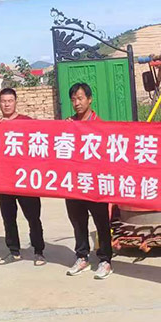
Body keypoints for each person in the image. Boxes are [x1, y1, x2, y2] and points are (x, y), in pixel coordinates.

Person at [63, 82, 114, 280]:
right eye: (73, 99)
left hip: (95, 184)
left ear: (90, 99)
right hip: (75, 183)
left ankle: (105, 260)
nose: (77, 103)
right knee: (78, 222)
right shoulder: (68, 125)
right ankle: (82, 257)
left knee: (101, 223)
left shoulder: (100, 126)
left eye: (80, 98)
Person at [0, 88, 46, 266]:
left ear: (15, 102)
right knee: (8, 218)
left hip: (26, 180)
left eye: (10, 100)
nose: (7, 104)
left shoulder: (27, 123)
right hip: (5, 181)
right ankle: (14, 251)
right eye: (3, 101)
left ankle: (39, 251)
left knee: (33, 218)